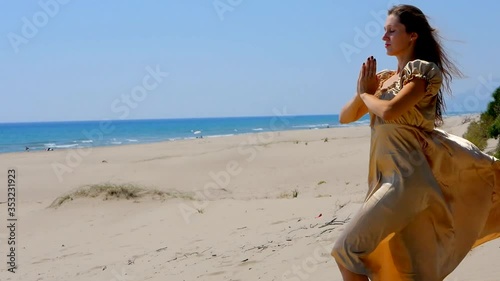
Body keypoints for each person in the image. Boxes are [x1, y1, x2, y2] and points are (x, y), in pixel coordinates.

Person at [331, 4, 500, 281]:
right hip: (384, 181)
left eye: (392, 31)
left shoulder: (422, 73)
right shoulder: (384, 80)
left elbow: (389, 111)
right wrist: (362, 92)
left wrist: (365, 95)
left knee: (346, 251)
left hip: (405, 182)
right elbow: (344, 117)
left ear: (412, 36)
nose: (384, 37)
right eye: (383, 31)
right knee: (415, 275)